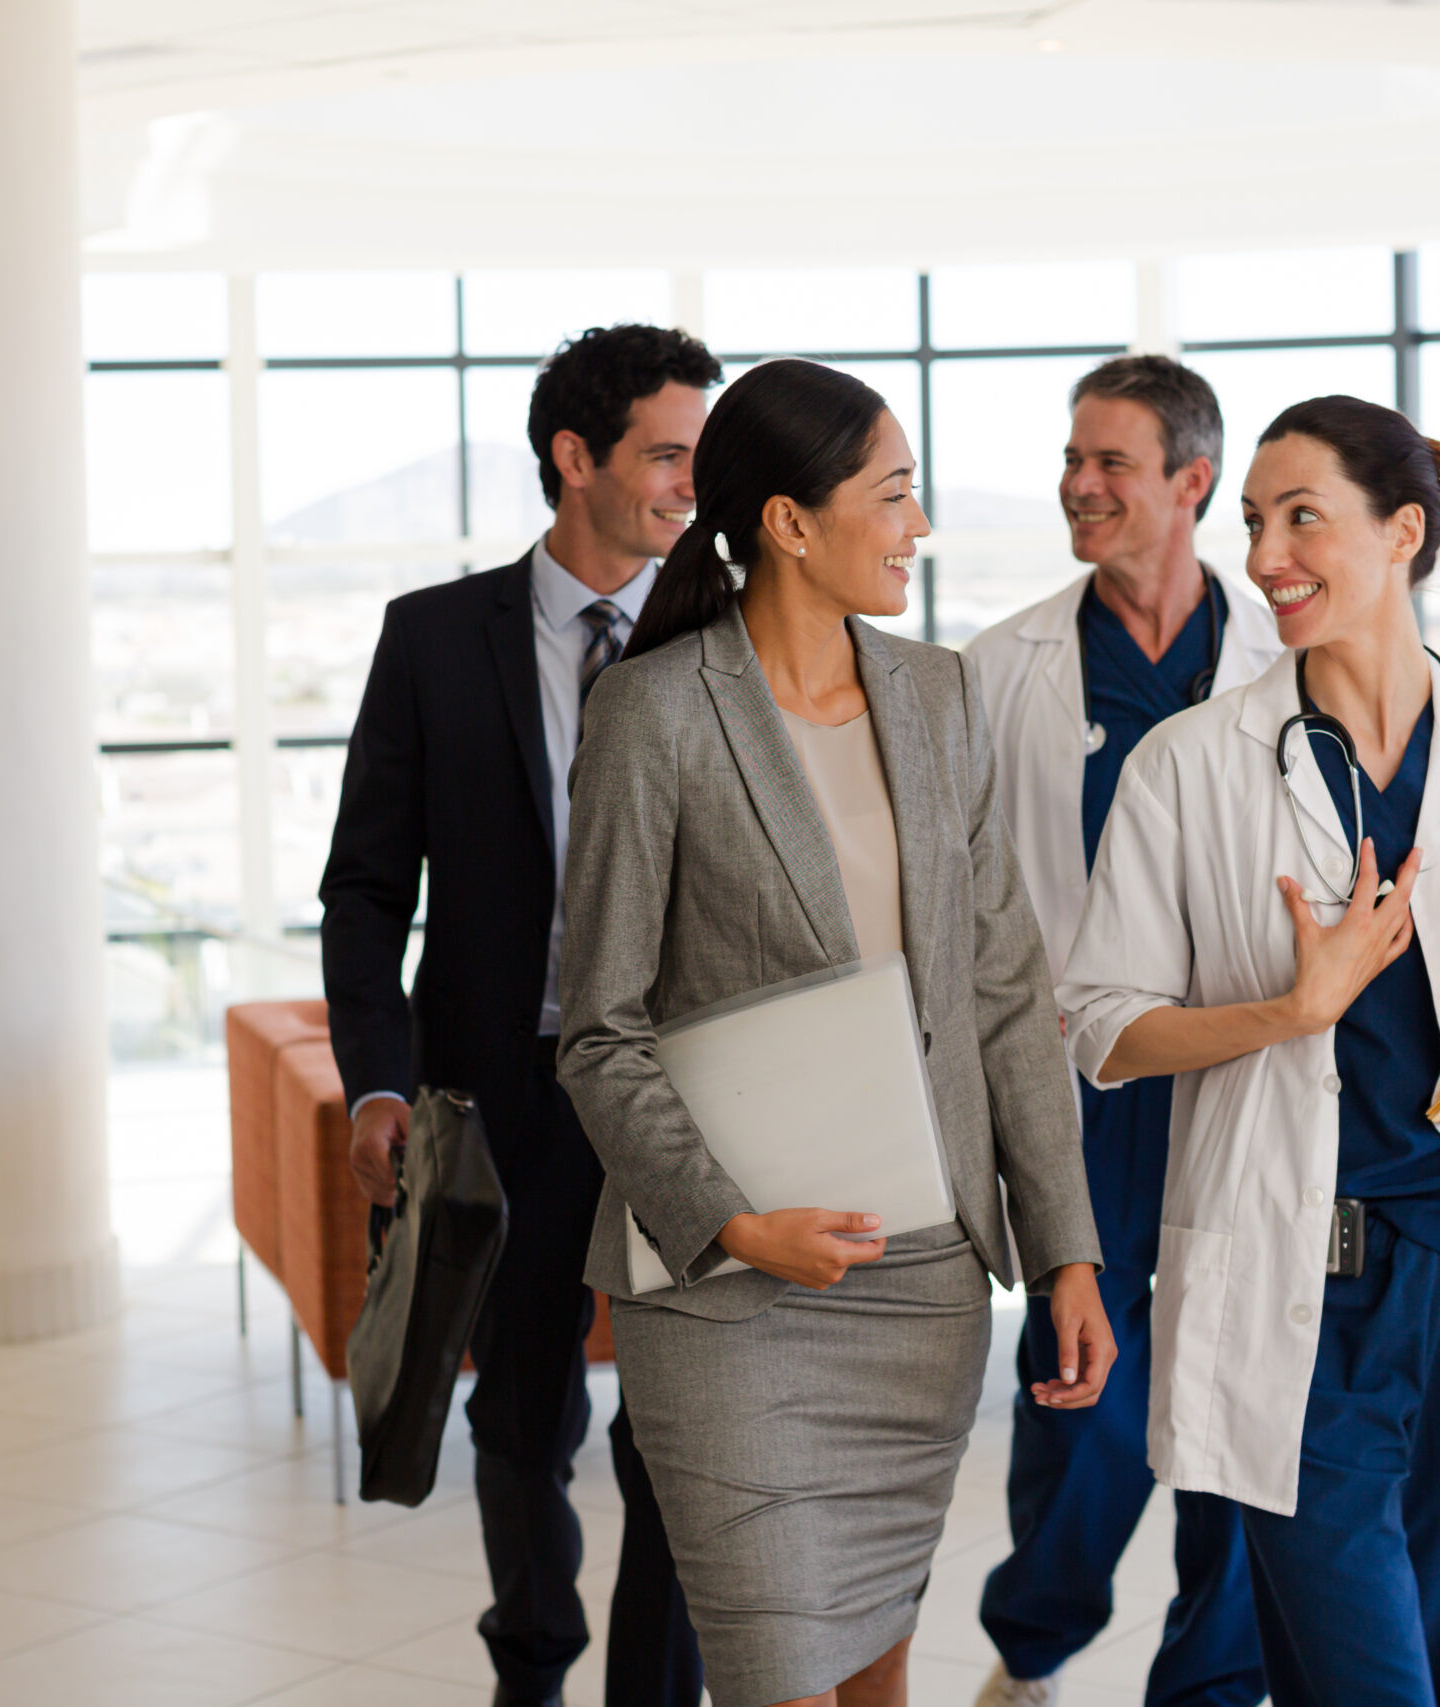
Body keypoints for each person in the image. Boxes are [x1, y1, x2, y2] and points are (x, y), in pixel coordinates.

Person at [1057, 396, 1440, 1707]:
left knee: (1427, 1665)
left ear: (1402, 533)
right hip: (1296, 1285)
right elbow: (1100, 1024)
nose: (1265, 556)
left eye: (1301, 518)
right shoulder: (1189, 766)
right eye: (1254, 522)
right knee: (1374, 1678)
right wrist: (1289, 1009)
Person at [557, 358, 1116, 1707]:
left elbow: (1002, 990)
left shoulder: (937, 694)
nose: (918, 525)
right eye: (895, 494)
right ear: (790, 523)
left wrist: (1067, 1249)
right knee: (779, 1674)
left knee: (874, 1667)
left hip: (920, 1287)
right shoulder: (653, 711)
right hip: (731, 1296)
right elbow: (599, 1030)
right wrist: (735, 1224)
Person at [320, 323, 719, 1707]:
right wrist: (379, 1083)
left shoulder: (720, 630)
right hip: (504, 1097)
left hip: (676, 1095)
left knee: (674, 1432)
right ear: (575, 457)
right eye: (667, 454)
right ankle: (532, 1668)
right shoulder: (434, 639)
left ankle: (654, 1691)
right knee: (519, 1415)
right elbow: (367, 888)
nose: (691, 484)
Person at [964, 355, 1280, 1707]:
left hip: (1241, 1077)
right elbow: (962, 896)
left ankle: (1211, 1681)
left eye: (1111, 464)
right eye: (1071, 459)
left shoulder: (1286, 659)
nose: (1078, 486)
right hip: (1083, 1088)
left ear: (1191, 482)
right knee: (1077, 1394)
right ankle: (1032, 1645)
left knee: (1237, 1389)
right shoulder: (1002, 669)